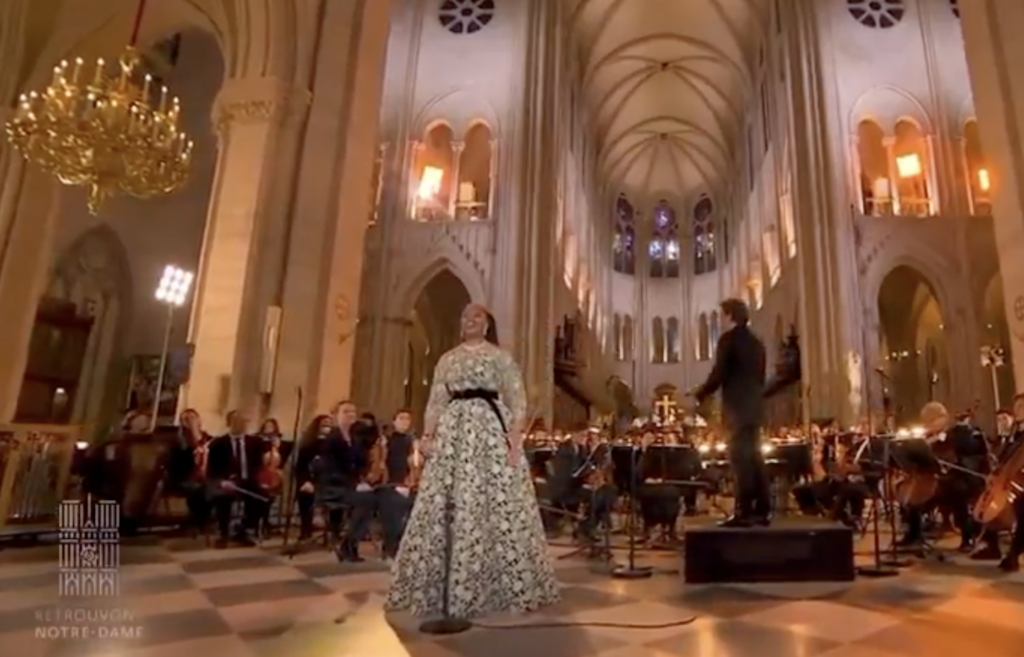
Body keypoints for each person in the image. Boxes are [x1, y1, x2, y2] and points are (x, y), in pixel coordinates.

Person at [385, 303, 560, 618]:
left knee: (495, 500)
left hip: (490, 428)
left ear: (487, 324)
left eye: (476, 316)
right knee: (445, 502)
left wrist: (515, 437)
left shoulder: (499, 357)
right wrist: (427, 436)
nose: (469, 320)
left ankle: (498, 581)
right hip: (453, 432)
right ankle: (437, 585)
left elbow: (517, 398)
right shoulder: (448, 359)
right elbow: (436, 399)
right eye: (464, 316)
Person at [684, 298, 770, 527]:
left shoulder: (728, 340)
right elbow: (761, 378)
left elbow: (719, 373)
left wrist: (699, 395)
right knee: (755, 458)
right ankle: (762, 510)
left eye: (721, 315)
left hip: (737, 410)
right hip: (755, 408)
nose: (719, 320)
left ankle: (743, 513)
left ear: (730, 315)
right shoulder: (757, 342)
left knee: (740, 460)